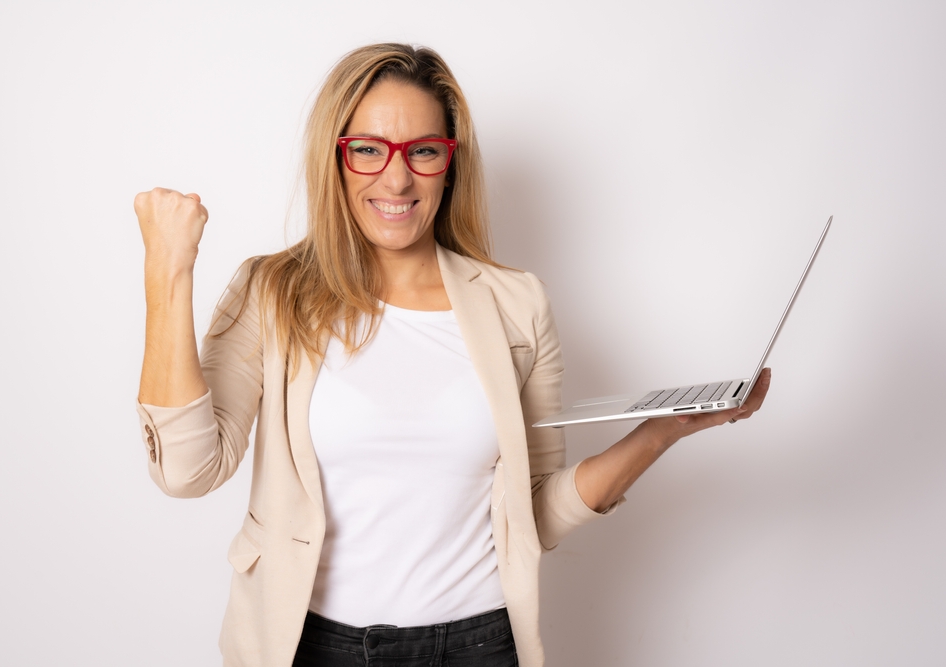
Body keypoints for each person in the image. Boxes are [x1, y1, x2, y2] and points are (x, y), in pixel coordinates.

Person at [133, 43, 769, 667]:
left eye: (425, 151)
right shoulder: (273, 294)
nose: (398, 177)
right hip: (309, 645)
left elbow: (535, 511)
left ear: (451, 162)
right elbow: (187, 471)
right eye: (368, 150)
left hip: (478, 645)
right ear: (336, 159)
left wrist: (662, 431)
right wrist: (168, 271)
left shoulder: (516, 305)